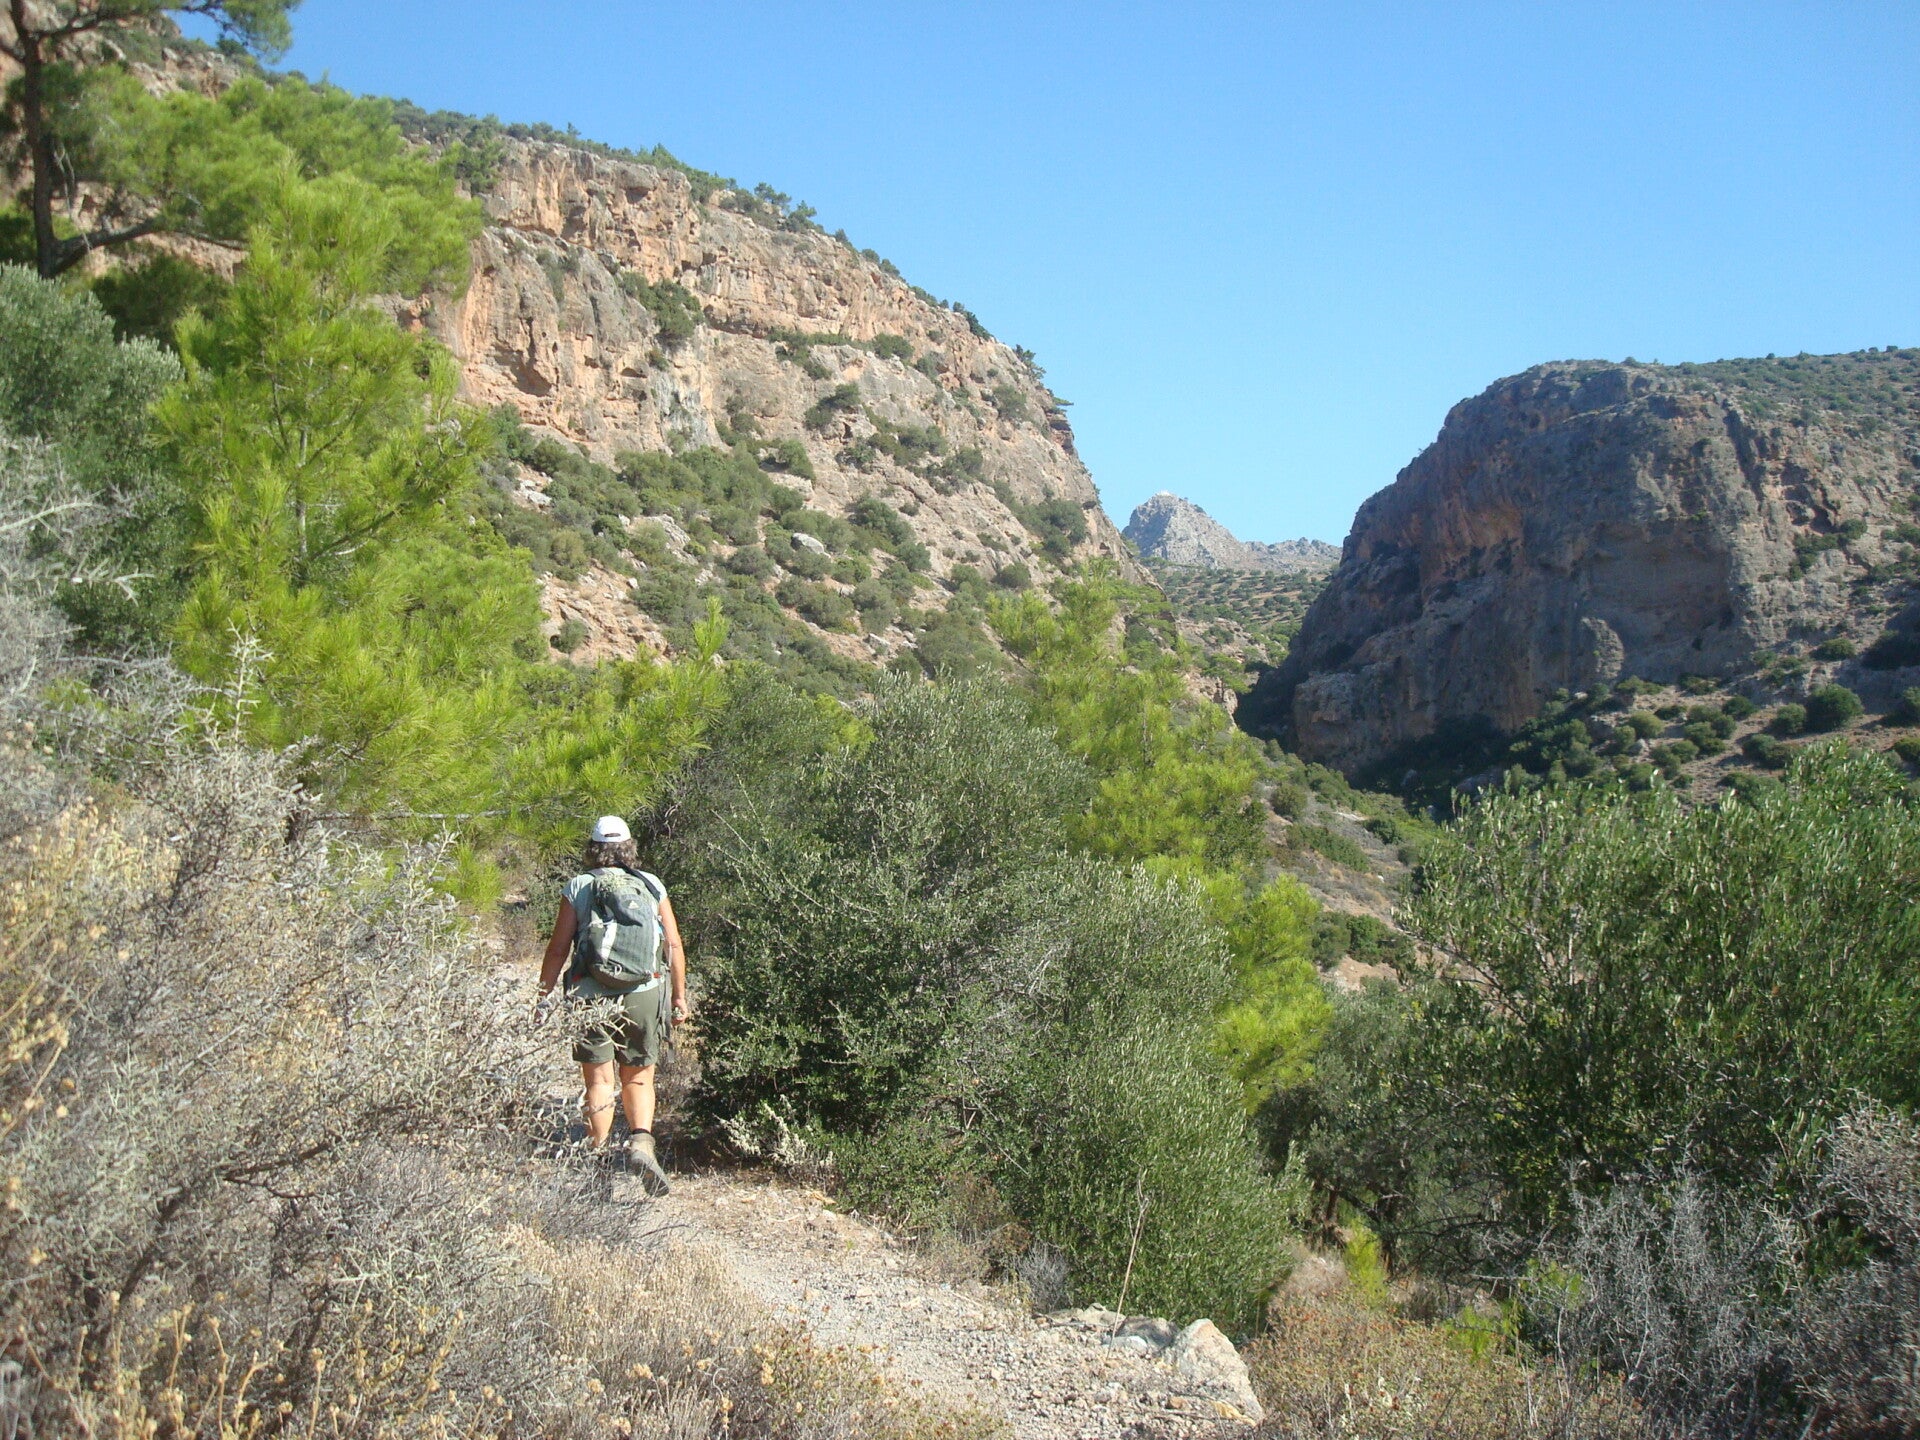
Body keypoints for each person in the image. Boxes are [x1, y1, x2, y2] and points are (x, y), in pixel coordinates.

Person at [536, 815, 690, 1195]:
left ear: (592, 848)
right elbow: (673, 945)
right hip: (643, 992)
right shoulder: (651, 885)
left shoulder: (580, 886)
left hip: (590, 995)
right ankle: (640, 1142)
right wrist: (679, 996)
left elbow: (558, 948)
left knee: (600, 1080)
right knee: (638, 1075)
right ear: (629, 846)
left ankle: (598, 1159)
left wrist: (542, 996)